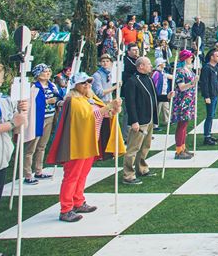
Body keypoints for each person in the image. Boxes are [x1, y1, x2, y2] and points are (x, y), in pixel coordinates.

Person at [46, 72, 123, 222]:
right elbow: (88, 117)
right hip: (77, 144)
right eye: (84, 83)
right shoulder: (73, 101)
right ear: (76, 85)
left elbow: (103, 114)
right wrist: (108, 106)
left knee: (82, 174)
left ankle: (78, 201)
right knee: (72, 175)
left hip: (90, 142)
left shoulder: (90, 98)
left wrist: (113, 110)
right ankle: (66, 209)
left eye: (89, 82)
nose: (87, 85)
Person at [0, 63, 28, 254]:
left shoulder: (4, 100)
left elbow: (19, 127)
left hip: (1, 160)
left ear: (0, 82)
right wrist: (13, 123)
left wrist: (22, 113)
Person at [122, 57, 158, 185]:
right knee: (133, 148)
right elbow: (130, 103)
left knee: (145, 146)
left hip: (149, 118)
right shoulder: (132, 81)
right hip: (139, 120)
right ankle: (128, 174)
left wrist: (167, 97)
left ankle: (141, 168)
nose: (151, 66)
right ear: (141, 66)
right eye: (148, 64)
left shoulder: (149, 79)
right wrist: (134, 121)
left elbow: (154, 97)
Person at [23, 64, 60, 184]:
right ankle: (27, 174)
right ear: (38, 74)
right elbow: (31, 103)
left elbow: (58, 98)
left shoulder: (52, 86)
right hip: (37, 119)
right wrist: (47, 101)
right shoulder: (34, 87)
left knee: (42, 146)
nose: (47, 73)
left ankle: (38, 170)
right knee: (31, 147)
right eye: (44, 71)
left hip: (50, 117)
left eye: (49, 71)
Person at [171, 50, 197, 159]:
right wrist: (192, 83)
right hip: (182, 100)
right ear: (185, 58)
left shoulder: (189, 70)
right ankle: (178, 150)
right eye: (190, 57)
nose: (192, 59)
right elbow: (181, 87)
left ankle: (183, 147)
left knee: (185, 125)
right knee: (181, 125)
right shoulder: (180, 71)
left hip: (189, 99)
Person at [199, 49, 218, 146]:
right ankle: (206, 137)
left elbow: (217, 80)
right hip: (210, 96)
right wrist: (206, 96)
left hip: (215, 94)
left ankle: (209, 134)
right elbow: (204, 83)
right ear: (212, 57)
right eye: (217, 56)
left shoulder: (215, 68)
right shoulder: (206, 68)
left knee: (212, 115)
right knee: (209, 116)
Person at [151, 58, 173, 132]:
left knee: (166, 107)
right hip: (159, 94)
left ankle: (167, 120)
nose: (165, 64)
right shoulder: (156, 73)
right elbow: (154, 83)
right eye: (163, 63)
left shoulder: (163, 72)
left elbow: (169, 76)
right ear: (160, 64)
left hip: (164, 93)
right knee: (157, 109)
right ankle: (154, 125)